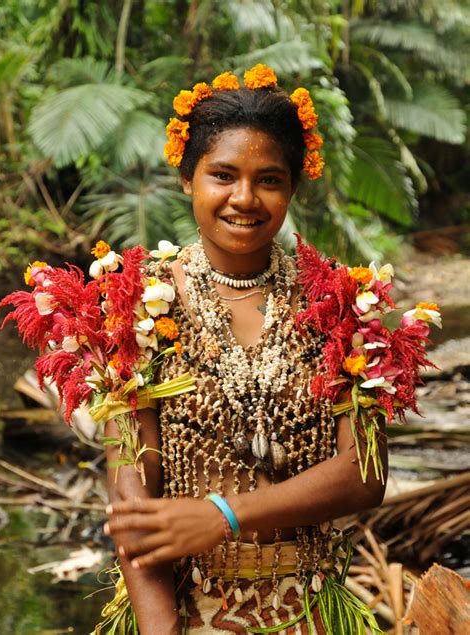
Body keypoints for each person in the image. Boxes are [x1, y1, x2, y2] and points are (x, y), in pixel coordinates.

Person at [102, 65, 387, 634]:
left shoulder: (342, 305)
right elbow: (133, 497)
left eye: (269, 180)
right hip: (187, 614)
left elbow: (365, 473)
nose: (245, 199)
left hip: (312, 614)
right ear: (188, 178)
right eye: (223, 175)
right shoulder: (133, 305)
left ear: (293, 187)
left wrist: (222, 516)